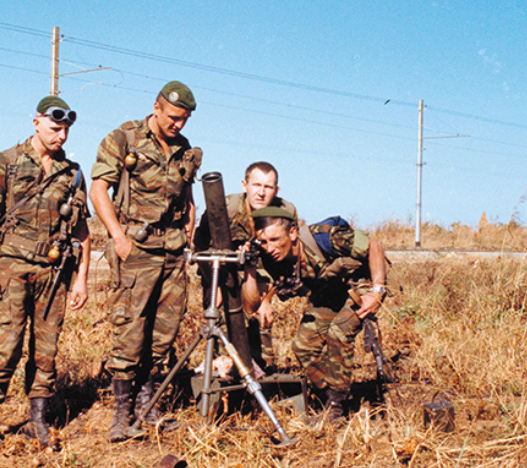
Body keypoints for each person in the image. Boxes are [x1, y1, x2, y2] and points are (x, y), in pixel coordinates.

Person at [0, 95, 91, 449]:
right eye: (56, 129)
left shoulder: (73, 174)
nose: (62, 137)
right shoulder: (7, 162)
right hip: (11, 268)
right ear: (36, 122)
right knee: (6, 345)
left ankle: (37, 419)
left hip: (53, 275)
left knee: (46, 350)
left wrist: (81, 278)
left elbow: (83, 232)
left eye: (66, 130)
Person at [89, 81, 202, 442]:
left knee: (164, 332)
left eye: (184, 119)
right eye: (173, 117)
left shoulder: (184, 150)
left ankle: (147, 404)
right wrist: (118, 238)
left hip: (171, 250)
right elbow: (98, 191)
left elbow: (188, 199)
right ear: (156, 109)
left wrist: (188, 237)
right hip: (135, 248)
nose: (178, 125)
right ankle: (121, 413)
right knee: (129, 329)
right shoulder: (123, 139)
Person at [241, 207, 386, 423]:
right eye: (263, 242)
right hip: (331, 291)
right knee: (303, 345)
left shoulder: (324, 238)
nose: (269, 248)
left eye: (274, 239)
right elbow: (252, 301)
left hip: (362, 283)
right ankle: (332, 394)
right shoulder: (269, 256)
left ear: (292, 233)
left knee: (339, 331)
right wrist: (251, 269)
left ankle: (337, 408)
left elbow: (374, 246)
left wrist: (377, 291)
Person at [193, 161, 298, 370]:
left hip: (259, 276)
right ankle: (223, 377)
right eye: (256, 185)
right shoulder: (225, 209)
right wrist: (215, 286)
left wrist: (267, 299)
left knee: (260, 330)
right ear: (244, 186)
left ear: (276, 190)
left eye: (268, 187)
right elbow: (200, 246)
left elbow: (285, 264)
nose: (261, 193)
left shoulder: (284, 212)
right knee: (221, 325)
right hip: (221, 272)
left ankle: (259, 374)